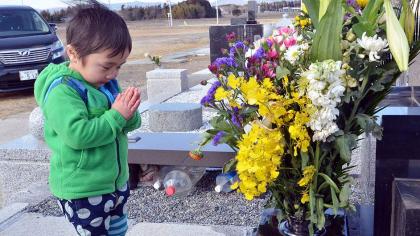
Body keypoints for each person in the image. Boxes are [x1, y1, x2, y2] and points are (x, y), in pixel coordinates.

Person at [34, 2, 141, 235]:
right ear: (73, 53)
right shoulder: (63, 91)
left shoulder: (104, 81)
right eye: (107, 66)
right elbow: (78, 135)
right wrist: (116, 115)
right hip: (84, 190)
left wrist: (129, 111)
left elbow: (126, 124)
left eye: (119, 67)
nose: (113, 74)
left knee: (117, 230)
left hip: (113, 182)